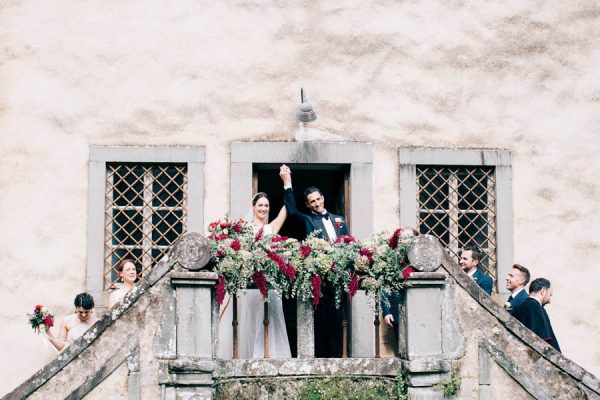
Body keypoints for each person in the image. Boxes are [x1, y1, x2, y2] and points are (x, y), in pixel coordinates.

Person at [279, 164, 348, 358]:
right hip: (318, 280)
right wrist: (287, 183)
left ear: (323, 198)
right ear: (308, 205)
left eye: (318, 199)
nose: (317, 203)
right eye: (312, 202)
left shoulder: (339, 219)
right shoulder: (307, 220)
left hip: (338, 278)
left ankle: (336, 360)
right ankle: (319, 360)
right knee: (320, 321)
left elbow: (348, 242)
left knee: (337, 320)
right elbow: (291, 211)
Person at [239, 190, 291, 358]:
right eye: (260, 205)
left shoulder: (271, 228)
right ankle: (254, 356)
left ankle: (273, 355)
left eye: (266, 205)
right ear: (253, 207)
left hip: (271, 283)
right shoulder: (244, 229)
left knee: (273, 317)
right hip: (254, 283)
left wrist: (287, 184)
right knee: (254, 318)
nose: (263, 208)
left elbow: (286, 208)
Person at [382, 227, 418, 340]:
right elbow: (384, 285)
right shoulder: (392, 260)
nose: (404, 241)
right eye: (401, 238)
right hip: (397, 311)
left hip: (418, 310)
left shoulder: (420, 260)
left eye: (408, 237)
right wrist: (386, 312)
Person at [513, 278, 560, 352]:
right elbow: (543, 340)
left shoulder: (521, 306)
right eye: (550, 295)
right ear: (543, 291)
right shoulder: (536, 307)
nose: (550, 300)